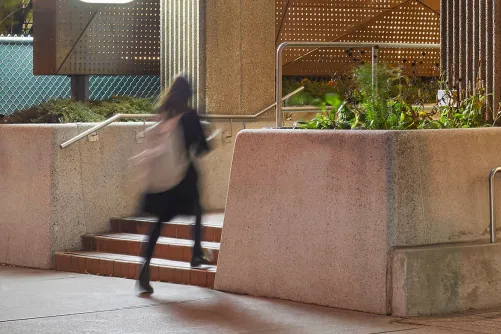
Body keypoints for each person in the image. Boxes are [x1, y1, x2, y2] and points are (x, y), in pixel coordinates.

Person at [136, 75, 211, 294]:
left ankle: (144, 269)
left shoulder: (163, 113)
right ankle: (196, 253)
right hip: (184, 178)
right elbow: (202, 149)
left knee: (158, 224)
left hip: (164, 182)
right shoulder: (190, 116)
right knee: (197, 211)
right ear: (189, 94)